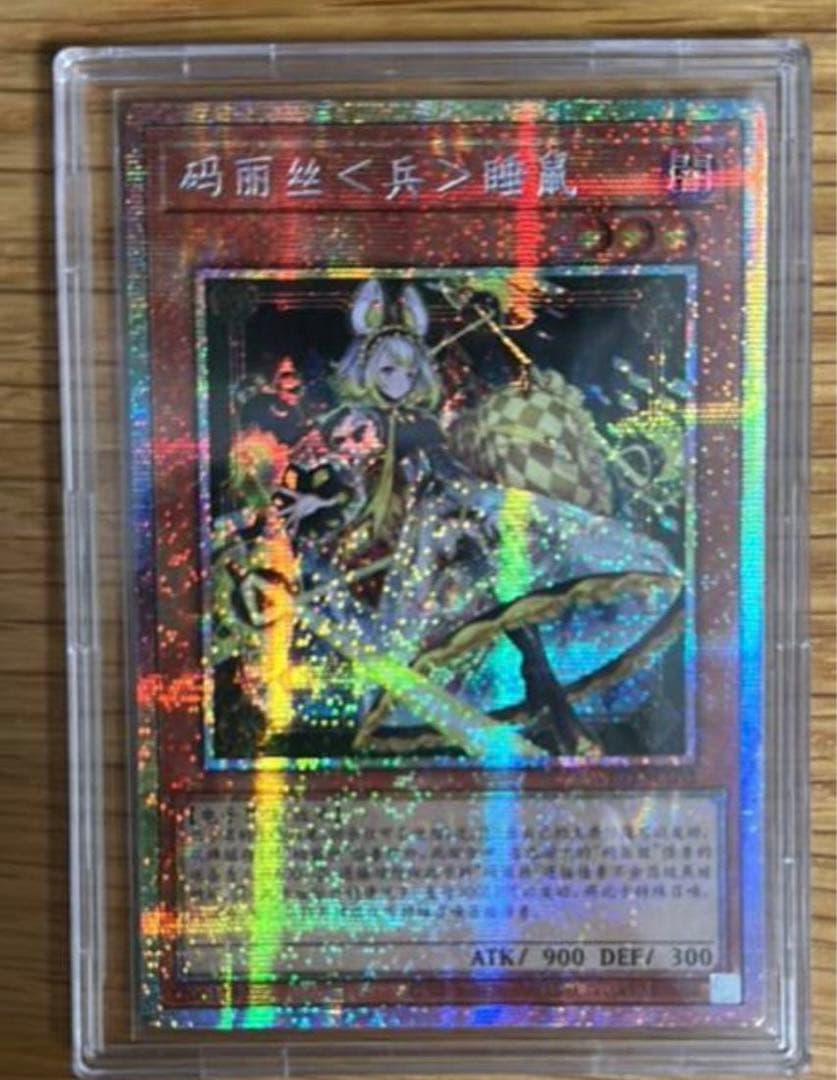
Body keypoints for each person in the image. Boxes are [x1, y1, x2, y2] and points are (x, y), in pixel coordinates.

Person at [271, 279, 684, 758]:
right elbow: (349, 483)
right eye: (387, 370)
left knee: (512, 583)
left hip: (459, 505)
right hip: (417, 535)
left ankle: (548, 691)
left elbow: (451, 457)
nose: (399, 380)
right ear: (365, 372)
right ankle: (538, 702)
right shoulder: (359, 423)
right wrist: (316, 503)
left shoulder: (423, 421)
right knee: (469, 606)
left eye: (408, 370)